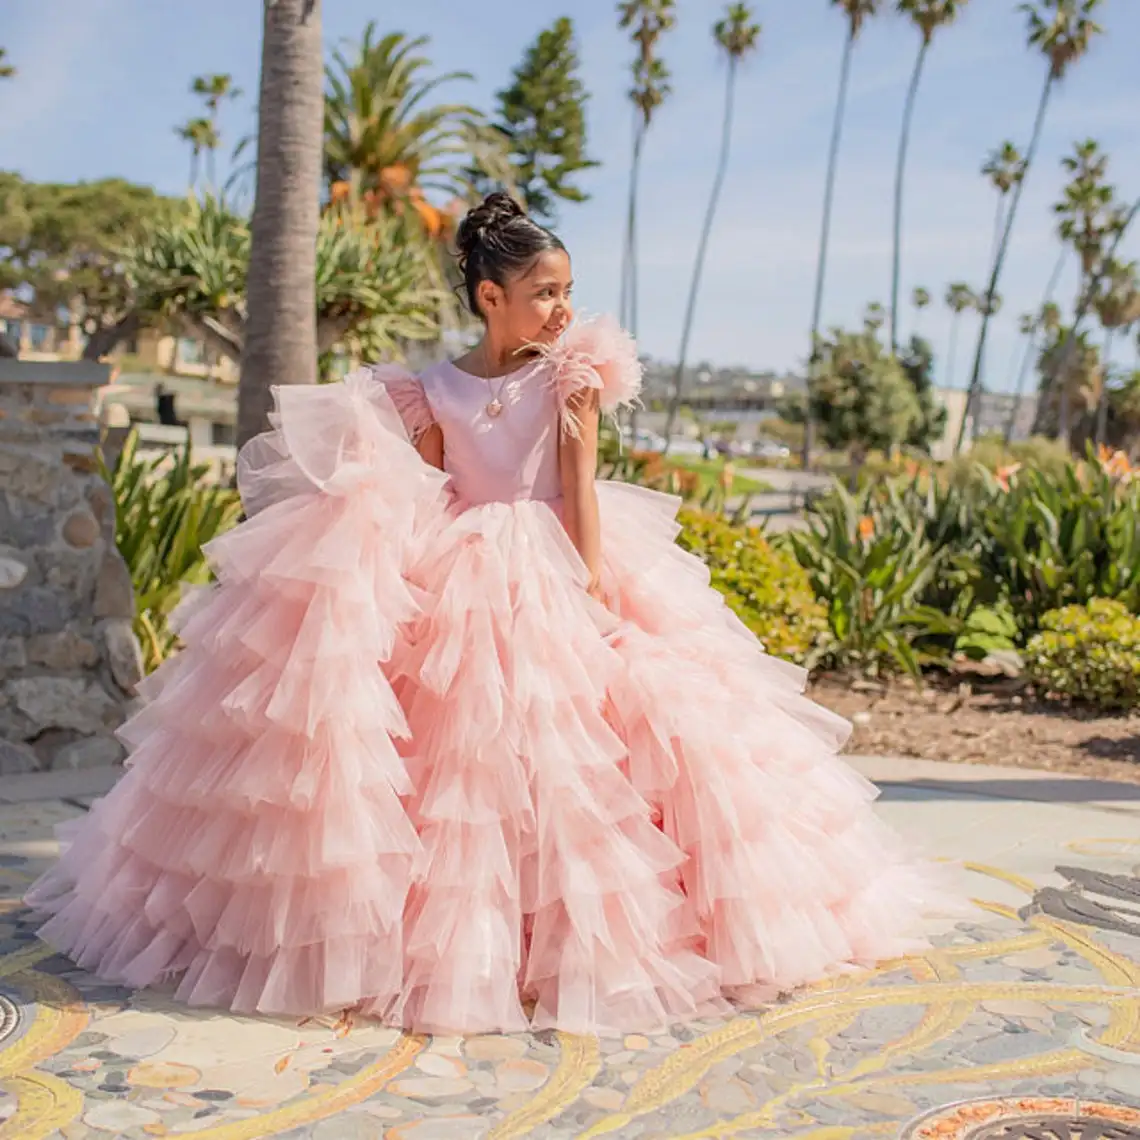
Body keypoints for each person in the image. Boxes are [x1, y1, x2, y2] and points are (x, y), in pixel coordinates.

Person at [25, 192, 955, 1036]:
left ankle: (589, 938)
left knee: (585, 759)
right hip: (462, 565)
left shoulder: (573, 377)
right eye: (543, 292)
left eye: (567, 291)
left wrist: (592, 593)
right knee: (462, 769)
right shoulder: (426, 389)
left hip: (560, 561)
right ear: (487, 295)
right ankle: (461, 949)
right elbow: (432, 488)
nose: (561, 310)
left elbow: (580, 489)